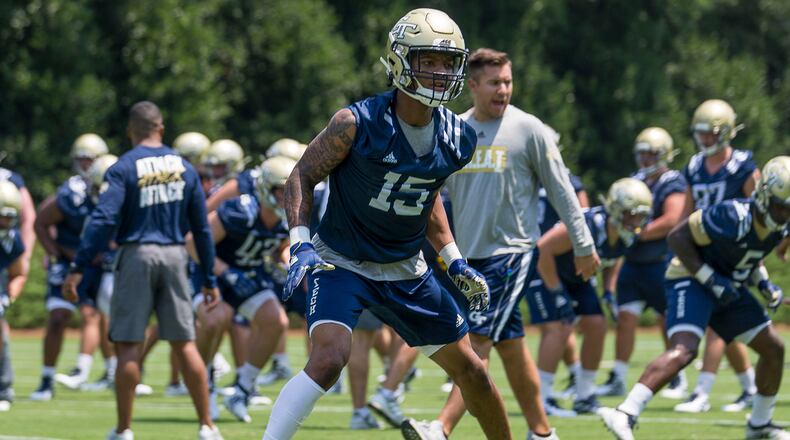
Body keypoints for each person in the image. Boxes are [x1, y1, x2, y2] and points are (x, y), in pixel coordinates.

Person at [263, 9, 512, 440]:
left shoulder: (459, 138)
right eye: (428, 60)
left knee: (473, 372)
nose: (440, 72)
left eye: (448, 62)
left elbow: (426, 196)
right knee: (329, 358)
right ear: (399, 61)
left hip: (406, 268)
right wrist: (300, 242)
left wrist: (453, 258)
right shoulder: (356, 123)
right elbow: (301, 175)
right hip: (342, 261)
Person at [400, 47, 598, 440]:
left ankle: (440, 428)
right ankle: (543, 433)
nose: (503, 90)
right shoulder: (454, 129)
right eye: (494, 83)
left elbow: (562, 191)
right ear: (472, 86)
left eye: (507, 82)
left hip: (512, 254)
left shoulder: (530, 130)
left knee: (477, 343)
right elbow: (432, 193)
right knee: (511, 346)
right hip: (468, 261)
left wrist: (583, 243)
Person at [62, 101, 222, 440]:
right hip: (175, 255)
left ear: (130, 131)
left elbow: (104, 218)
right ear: (161, 128)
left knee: (129, 346)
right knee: (185, 344)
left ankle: (124, 430)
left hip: (135, 255)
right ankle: (207, 426)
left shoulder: (123, 166)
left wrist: (79, 266)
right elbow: (201, 229)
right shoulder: (185, 168)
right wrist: (209, 277)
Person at [599, 156, 790, 440]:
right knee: (685, 349)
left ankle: (759, 424)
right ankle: (624, 412)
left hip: (726, 283)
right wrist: (710, 279)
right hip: (690, 277)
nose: (785, 214)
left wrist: (764, 284)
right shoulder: (732, 215)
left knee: (773, 348)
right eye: (781, 206)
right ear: (763, 195)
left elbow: (750, 257)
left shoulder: (779, 226)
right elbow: (677, 237)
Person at [187, 157, 293, 423]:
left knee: (276, 321)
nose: (286, 197)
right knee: (216, 319)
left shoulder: (288, 217)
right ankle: (204, 382)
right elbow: (193, 243)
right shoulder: (240, 210)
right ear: (265, 189)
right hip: (212, 273)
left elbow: (282, 246)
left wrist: (286, 262)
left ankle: (243, 390)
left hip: (247, 273)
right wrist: (225, 272)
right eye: (280, 191)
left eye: (289, 190)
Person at [674, 99, 760, 413]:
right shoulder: (695, 166)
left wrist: (758, 256)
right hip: (703, 253)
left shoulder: (744, 166)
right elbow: (686, 213)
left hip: (734, 253)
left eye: (710, 133)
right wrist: (680, 247)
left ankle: (701, 393)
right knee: (726, 323)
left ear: (725, 132)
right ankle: (751, 388)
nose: (704, 139)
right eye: (701, 133)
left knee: (715, 322)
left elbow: (761, 212)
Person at [596, 127, 687, 399]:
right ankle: (619, 376)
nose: (646, 158)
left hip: (661, 261)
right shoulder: (634, 181)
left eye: (651, 153)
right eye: (642, 153)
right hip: (633, 262)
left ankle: (676, 376)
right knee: (625, 319)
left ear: (665, 154)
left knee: (667, 320)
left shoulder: (672, 181)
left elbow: (673, 219)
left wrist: (638, 232)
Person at [30, 134, 110, 400]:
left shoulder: (115, 189)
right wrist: (56, 254)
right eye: (82, 159)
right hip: (70, 264)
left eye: (91, 159)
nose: (86, 165)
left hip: (99, 266)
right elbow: (40, 222)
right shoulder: (71, 193)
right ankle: (46, 379)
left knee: (100, 316)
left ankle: (103, 371)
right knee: (58, 318)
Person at [0, 167, 35, 409]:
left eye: (9, 217)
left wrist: (7, 297)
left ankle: (3, 389)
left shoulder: (12, 240)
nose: (5, 223)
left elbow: (18, 274)